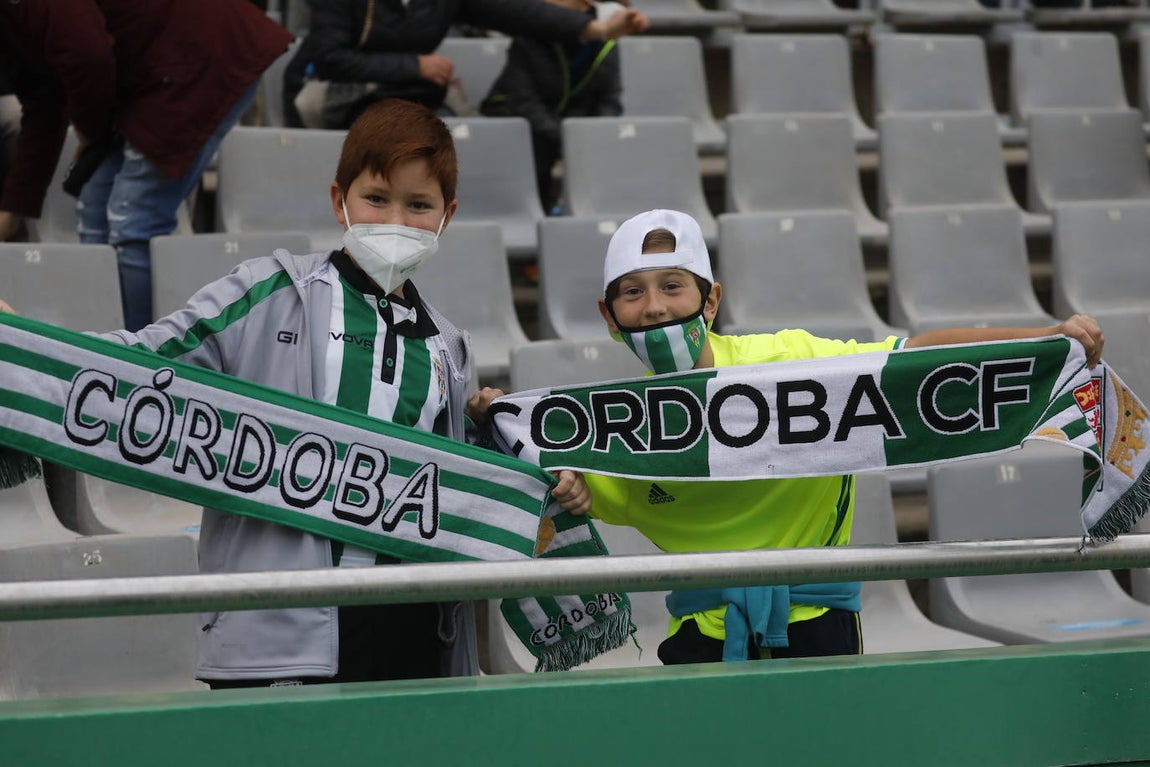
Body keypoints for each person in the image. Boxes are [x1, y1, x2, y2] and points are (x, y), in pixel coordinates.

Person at [1, 98, 536, 686]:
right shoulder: (265, 290)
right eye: (376, 199)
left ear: (446, 216)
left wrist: (511, 446)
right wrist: (23, 347)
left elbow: (450, 489)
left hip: (411, 622)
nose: (394, 221)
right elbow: (142, 365)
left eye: (418, 206)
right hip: (278, 627)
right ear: (340, 200)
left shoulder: (450, 345)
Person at [540, 208, 1105, 665]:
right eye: (632, 293)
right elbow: (582, 489)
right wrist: (512, 428)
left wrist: (1041, 340)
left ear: (710, 300)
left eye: (672, 286)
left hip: (820, 628)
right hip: (699, 637)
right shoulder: (607, 421)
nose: (655, 307)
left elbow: (916, 359)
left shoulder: (792, 362)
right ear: (609, 315)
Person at [0, 0, 294, 332]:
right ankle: (102, 336)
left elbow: (88, 55)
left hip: (199, 57)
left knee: (133, 219)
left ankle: (140, 350)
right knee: (93, 208)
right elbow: (44, 104)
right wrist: (14, 208)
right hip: (147, 76)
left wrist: (89, 131)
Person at [283, 0, 647, 130]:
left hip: (398, 95)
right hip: (328, 97)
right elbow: (327, 59)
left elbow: (521, 13)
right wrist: (414, 66)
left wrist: (596, 28)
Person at [480, 0, 623, 211]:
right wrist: (566, 136)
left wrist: (592, 136)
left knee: (612, 144)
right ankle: (538, 211)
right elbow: (522, 101)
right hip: (527, 127)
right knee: (536, 146)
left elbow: (609, 100)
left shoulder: (605, 41)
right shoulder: (529, 37)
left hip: (576, 126)